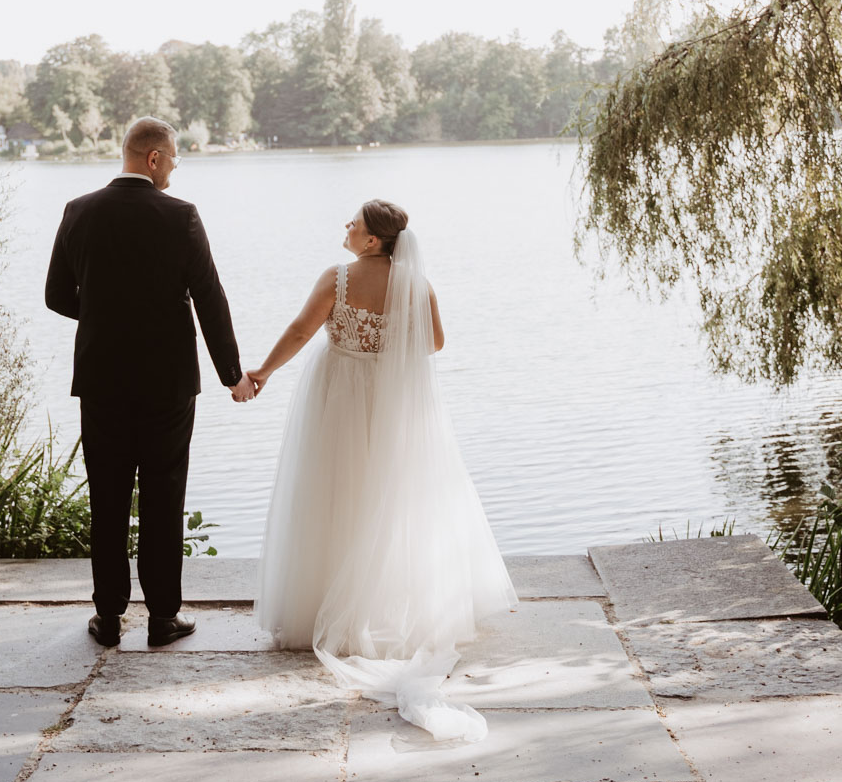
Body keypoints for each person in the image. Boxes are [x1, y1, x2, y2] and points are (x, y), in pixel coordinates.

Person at [247, 198, 516, 740]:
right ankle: (385, 607)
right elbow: (435, 342)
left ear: (372, 240)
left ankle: (326, 609)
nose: (345, 227)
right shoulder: (417, 284)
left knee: (333, 493)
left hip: (339, 394)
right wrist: (387, 349)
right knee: (388, 498)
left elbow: (302, 331)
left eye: (354, 223)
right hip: (389, 399)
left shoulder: (338, 279)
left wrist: (261, 372)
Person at [45, 116, 255, 648]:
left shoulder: (79, 211)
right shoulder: (180, 215)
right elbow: (209, 297)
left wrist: (103, 315)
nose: (177, 167)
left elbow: (55, 295)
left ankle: (109, 618)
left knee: (108, 496)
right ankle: (163, 617)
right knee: (164, 494)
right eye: (175, 156)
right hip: (167, 382)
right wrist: (232, 375)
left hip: (101, 379)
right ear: (154, 158)